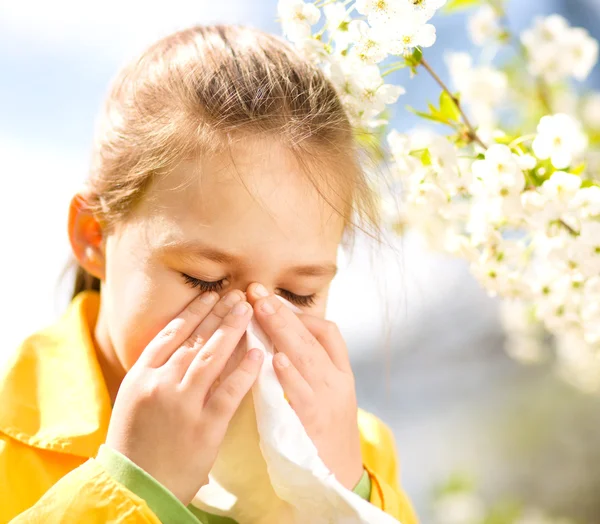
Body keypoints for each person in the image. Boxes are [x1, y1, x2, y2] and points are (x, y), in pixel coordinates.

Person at [0, 24, 417, 524]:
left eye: (297, 293)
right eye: (204, 281)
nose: (247, 333)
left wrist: (342, 497)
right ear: (94, 235)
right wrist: (131, 489)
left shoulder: (360, 448)